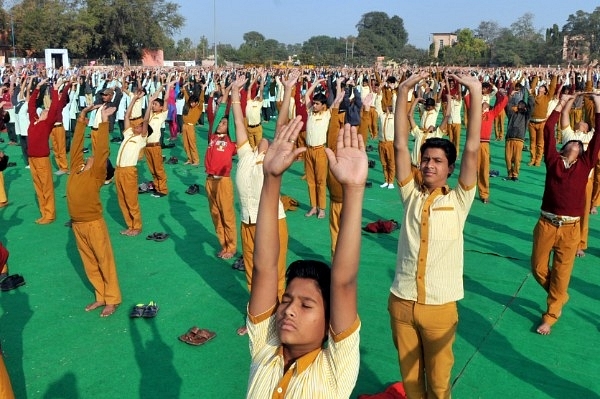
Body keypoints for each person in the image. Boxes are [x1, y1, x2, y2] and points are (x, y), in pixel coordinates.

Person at [245, 115, 366, 398]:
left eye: (306, 305)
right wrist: (272, 178)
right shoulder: (265, 345)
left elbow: (343, 282)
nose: (288, 310)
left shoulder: (335, 369)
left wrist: (354, 190)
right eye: (286, 300)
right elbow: (264, 267)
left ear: (329, 323)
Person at [388, 71, 482, 399]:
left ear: (449, 169)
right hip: (401, 299)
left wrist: (475, 93)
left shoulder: (459, 200)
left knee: (439, 385)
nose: (429, 165)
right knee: (411, 383)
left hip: (440, 307)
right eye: (426, 159)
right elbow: (400, 144)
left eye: (437, 161)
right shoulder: (410, 194)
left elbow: (471, 149)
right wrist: (402, 92)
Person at [531, 93, 600, 335]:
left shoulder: (584, 166)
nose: (576, 144)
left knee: (561, 273)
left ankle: (550, 316)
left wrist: (598, 105)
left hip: (571, 229)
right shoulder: (553, 162)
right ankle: (559, 296)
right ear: (563, 148)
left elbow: (599, 137)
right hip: (546, 223)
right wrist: (560, 105)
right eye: (572, 143)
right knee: (538, 268)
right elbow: (548, 130)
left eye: (580, 145)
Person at [230, 72, 289, 336]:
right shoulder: (244, 155)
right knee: (252, 273)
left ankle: (278, 322)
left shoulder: (272, 158)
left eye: (267, 138)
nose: (263, 138)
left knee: (275, 274)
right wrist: (234, 94)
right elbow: (239, 124)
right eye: (261, 138)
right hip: (247, 222)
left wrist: (288, 91)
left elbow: (281, 125)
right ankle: (255, 317)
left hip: (272, 222)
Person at [67, 104, 122, 318]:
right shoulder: (76, 169)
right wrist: (81, 119)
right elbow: (76, 147)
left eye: (95, 160)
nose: (89, 157)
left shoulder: (97, 175)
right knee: (89, 262)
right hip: (77, 225)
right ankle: (100, 296)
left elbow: (102, 152)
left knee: (103, 261)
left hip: (93, 224)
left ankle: (112, 299)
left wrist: (104, 121)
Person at [205, 80, 237, 260]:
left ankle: (231, 247)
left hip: (223, 180)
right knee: (216, 215)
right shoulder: (212, 138)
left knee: (227, 215)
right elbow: (217, 116)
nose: (220, 124)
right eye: (219, 123)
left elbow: (231, 120)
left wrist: (233, 96)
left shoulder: (231, 141)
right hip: (209, 180)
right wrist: (224, 94)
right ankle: (223, 245)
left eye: (223, 124)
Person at [27, 77, 63, 224]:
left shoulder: (47, 124)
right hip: (32, 159)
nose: (45, 110)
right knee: (38, 187)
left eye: (47, 111)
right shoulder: (34, 121)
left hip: (42, 159)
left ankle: (49, 214)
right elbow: (30, 105)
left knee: (46, 187)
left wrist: (55, 89)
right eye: (44, 110)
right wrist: (38, 87)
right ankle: (44, 212)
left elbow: (55, 107)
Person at [114, 91, 150, 237]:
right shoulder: (129, 134)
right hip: (119, 170)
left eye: (140, 126)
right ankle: (130, 225)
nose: (137, 126)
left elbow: (146, 120)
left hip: (129, 171)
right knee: (122, 199)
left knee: (131, 199)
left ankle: (137, 226)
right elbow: (126, 116)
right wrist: (133, 99)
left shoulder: (141, 139)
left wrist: (148, 105)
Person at [303, 78, 330, 219]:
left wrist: (333, 84)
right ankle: (313, 206)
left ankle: (322, 208)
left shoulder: (326, 114)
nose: (314, 105)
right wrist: (317, 82)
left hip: (320, 151)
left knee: (321, 181)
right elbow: (307, 95)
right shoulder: (310, 113)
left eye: (317, 104)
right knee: (310, 180)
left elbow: (335, 99)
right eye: (314, 103)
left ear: (323, 105)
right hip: (308, 150)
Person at [145, 79, 173, 198]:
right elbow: (152, 98)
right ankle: (157, 187)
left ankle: (163, 189)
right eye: (153, 104)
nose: (153, 105)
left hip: (155, 146)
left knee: (158, 169)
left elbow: (165, 100)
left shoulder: (162, 115)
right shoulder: (150, 114)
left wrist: (168, 87)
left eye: (156, 105)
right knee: (152, 169)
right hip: (147, 146)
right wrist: (160, 87)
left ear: (161, 107)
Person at [503, 83, 533, 181]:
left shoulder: (526, 116)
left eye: (522, 104)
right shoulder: (512, 114)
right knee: (508, 158)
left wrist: (530, 95)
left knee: (517, 159)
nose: (520, 105)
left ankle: (515, 174)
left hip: (519, 139)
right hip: (509, 138)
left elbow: (531, 107)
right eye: (519, 104)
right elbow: (507, 106)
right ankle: (509, 173)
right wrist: (511, 95)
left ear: (524, 107)